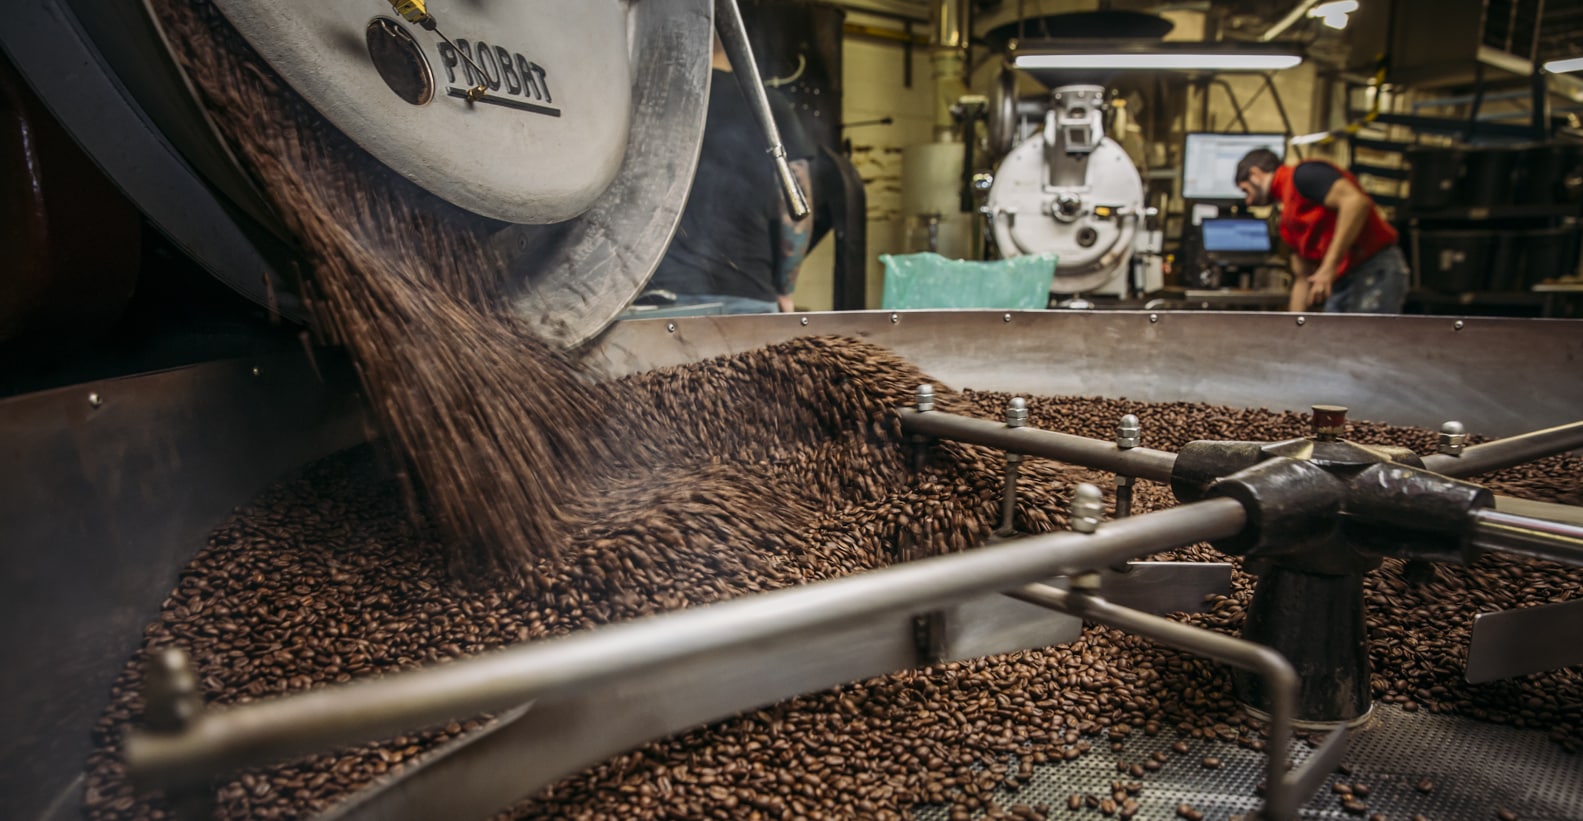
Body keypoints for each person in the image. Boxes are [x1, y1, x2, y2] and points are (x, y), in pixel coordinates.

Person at [642, 37, 817, 315]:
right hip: (748, 297)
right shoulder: (769, 106)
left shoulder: (655, 100)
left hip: (659, 299)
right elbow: (795, 212)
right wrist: (785, 290)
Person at [1235, 149, 1409, 313]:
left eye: (1246, 191)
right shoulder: (1287, 219)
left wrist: (1328, 267)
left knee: (1364, 342)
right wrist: (1292, 329)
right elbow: (1302, 277)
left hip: (1373, 270)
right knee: (1332, 342)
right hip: (1342, 280)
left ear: (1255, 175)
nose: (1248, 201)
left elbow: (1356, 203)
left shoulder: (1304, 175)